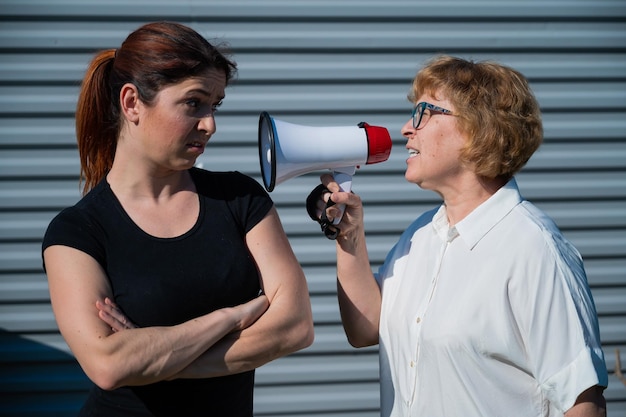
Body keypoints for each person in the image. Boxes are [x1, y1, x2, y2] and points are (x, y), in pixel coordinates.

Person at [309, 55, 608, 416]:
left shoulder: (534, 249)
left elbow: (582, 404)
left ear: (478, 128)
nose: (406, 128)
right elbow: (365, 328)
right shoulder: (419, 235)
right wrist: (349, 237)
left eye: (423, 113)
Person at [42, 21, 314, 417]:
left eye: (214, 104)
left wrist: (156, 360)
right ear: (132, 103)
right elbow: (109, 363)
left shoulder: (239, 199)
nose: (210, 124)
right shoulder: (76, 232)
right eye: (193, 103)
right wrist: (230, 317)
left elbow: (295, 326)